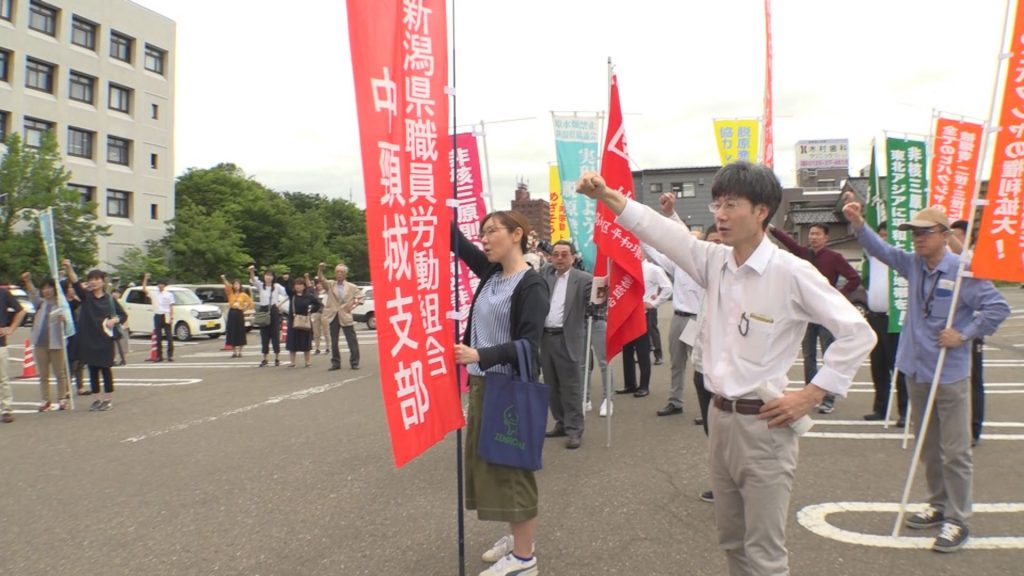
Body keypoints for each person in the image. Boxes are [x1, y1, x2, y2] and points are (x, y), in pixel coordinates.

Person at [579, 161, 876, 575]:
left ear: (761, 211)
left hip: (764, 427)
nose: (720, 214)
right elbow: (658, 230)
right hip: (718, 418)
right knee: (732, 541)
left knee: (765, 553)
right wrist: (606, 195)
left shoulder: (791, 272)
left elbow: (857, 333)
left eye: (731, 204)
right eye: (717, 204)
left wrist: (811, 394)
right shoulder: (714, 261)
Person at [845, 201, 1010, 553]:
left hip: (948, 374)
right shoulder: (913, 264)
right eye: (914, 233)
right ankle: (937, 503)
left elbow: (998, 308)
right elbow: (883, 250)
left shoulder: (963, 271)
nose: (917, 238)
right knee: (928, 446)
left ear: (944, 235)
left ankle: (958, 518)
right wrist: (858, 223)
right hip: (915, 369)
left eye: (925, 232)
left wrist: (964, 334)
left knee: (956, 452)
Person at [452, 210, 548, 576]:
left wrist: (480, 355)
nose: (484, 238)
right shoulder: (491, 273)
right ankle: (519, 540)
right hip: (483, 386)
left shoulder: (531, 284)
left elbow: (529, 345)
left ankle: (524, 561)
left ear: (517, 234)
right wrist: (433, 206)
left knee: (513, 471)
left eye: (492, 231)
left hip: (508, 391)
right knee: (494, 467)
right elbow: (458, 243)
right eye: (483, 232)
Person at [769, 222, 862, 414]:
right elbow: (789, 243)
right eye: (811, 234)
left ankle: (828, 398)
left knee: (829, 355)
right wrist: (772, 229)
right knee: (808, 356)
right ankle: (809, 396)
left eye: (818, 234)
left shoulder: (834, 258)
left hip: (826, 316)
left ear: (826, 237)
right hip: (807, 315)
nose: (813, 237)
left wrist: (838, 295)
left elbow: (854, 278)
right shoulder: (805, 254)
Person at [854, 219, 908, 426]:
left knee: (898, 367)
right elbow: (865, 238)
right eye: (881, 235)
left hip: (894, 320)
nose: (883, 239)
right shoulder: (874, 257)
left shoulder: (900, 259)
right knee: (878, 366)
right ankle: (880, 408)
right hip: (875, 318)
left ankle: (905, 411)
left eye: (887, 235)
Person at [643, 232, 703, 417]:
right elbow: (653, 253)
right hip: (678, 318)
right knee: (677, 363)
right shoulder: (678, 264)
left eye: (694, 241)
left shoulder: (705, 266)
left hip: (695, 319)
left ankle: (707, 407)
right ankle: (675, 402)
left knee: (700, 365)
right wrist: (638, 232)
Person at [540, 240, 593, 449]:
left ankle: (575, 429)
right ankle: (561, 422)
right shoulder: (546, 275)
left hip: (567, 338)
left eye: (564, 254)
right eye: (556, 254)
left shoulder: (583, 279)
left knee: (571, 387)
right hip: (546, 338)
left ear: (573, 257)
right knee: (551, 385)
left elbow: (595, 303)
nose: (560, 258)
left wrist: (600, 296)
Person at [64, 261, 128, 412]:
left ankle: (107, 399)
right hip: (89, 340)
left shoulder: (110, 299)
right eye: (91, 279)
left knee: (106, 370)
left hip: (105, 340)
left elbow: (123, 315)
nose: (94, 282)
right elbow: (75, 282)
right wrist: (69, 268)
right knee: (92, 370)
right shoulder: (86, 297)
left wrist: (114, 320)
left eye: (97, 279)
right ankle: (96, 399)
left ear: (103, 281)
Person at [949, 219, 986, 446]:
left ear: (969, 237)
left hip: (972, 330)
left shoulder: (975, 258)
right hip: (950, 330)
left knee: (973, 380)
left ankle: (974, 430)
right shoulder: (948, 261)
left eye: (957, 235)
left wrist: (945, 233)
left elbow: (963, 255)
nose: (952, 239)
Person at [618, 258, 671, 400]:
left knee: (642, 351)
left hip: (643, 313)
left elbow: (667, 288)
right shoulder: (624, 267)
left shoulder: (652, 269)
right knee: (627, 350)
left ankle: (644, 386)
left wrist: (654, 303)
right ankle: (630, 384)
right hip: (626, 313)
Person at [23, 273, 72, 412]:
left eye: (49, 287)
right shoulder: (41, 304)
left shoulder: (61, 304)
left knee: (59, 373)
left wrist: (64, 320)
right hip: (40, 343)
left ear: (55, 289)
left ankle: (62, 398)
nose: (47, 290)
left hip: (57, 343)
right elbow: (33, 294)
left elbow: (69, 326)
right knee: (43, 374)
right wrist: (28, 281)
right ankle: (45, 400)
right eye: (44, 288)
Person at [317, 262, 363, 371]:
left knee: (351, 340)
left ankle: (354, 362)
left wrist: (352, 306)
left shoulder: (351, 286)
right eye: (337, 272)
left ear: (345, 274)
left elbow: (361, 297)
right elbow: (321, 279)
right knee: (334, 341)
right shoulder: (331, 284)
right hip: (333, 315)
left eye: (341, 272)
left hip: (345, 315)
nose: (339, 274)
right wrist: (320, 270)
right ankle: (335, 363)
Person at [250, 265, 287, 367]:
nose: (268, 277)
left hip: (273, 310)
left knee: (275, 334)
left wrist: (280, 304)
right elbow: (253, 280)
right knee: (264, 335)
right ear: (264, 276)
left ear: (273, 277)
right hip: (263, 309)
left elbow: (287, 294)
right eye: (267, 275)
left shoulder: (277, 286)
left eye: (270, 275)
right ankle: (264, 358)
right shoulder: (261, 286)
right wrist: (252, 271)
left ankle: (277, 358)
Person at [0, 282, 27, 423]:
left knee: (2, 378)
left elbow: (21, 311)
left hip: (0, 343)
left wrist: (10, 328)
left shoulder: (3, 293)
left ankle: (6, 409)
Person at [284, 276, 319, 368]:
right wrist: (287, 280)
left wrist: (311, 311)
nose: (298, 286)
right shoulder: (292, 295)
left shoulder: (308, 296)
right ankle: (292, 362)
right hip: (293, 320)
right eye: (296, 284)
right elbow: (287, 289)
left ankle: (307, 361)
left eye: (300, 284)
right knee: (292, 342)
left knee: (306, 342)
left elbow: (318, 304)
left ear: (304, 286)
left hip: (305, 320)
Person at [141, 273, 175, 362]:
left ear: (165, 285)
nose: (160, 285)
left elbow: (171, 306)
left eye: (162, 284)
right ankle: (159, 356)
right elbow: (144, 289)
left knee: (169, 336)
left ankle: (170, 355)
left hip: (166, 315)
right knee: (158, 337)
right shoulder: (154, 293)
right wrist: (145, 278)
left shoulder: (169, 294)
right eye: (159, 284)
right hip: (157, 315)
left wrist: (172, 317)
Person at [220, 274, 253, 358]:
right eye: (235, 284)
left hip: (239, 313)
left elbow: (250, 302)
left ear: (240, 285)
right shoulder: (230, 293)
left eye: (237, 284)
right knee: (232, 332)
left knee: (240, 332)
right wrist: (224, 278)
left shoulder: (243, 294)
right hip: (232, 312)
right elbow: (227, 285)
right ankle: (234, 352)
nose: (236, 286)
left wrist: (244, 308)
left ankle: (240, 352)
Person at [110, 288, 128, 366]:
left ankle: (122, 359)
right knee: (115, 343)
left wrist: (124, 324)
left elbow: (124, 314)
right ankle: (115, 359)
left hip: (116, 324)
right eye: (114, 292)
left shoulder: (119, 302)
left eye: (118, 293)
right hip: (113, 324)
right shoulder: (110, 300)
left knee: (119, 342)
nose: (116, 294)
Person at [311, 279, 327, 355]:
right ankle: (317, 348)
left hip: (325, 313)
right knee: (316, 332)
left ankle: (328, 347)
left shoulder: (327, 292)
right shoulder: (314, 293)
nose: (319, 285)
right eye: (318, 283)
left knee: (326, 331)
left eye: (321, 283)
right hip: (315, 313)